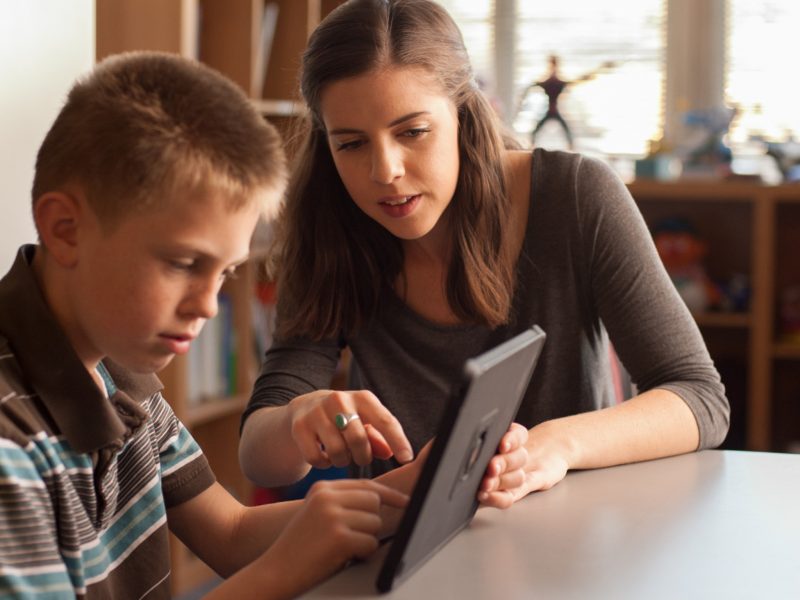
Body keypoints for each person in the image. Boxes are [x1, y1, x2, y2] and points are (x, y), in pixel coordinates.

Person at [239, 0, 729, 510]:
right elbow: (257, 455)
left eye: (412, 132)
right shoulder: (330, 222)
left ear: (463, 112)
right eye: (352, 144)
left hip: (565, 545)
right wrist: (298, 421)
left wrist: (556, 446)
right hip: (398, 554)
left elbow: (699, 398)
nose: (384, 171)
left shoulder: (577, 196)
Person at [0, 51, 416, 599]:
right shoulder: (10, 446)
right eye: (183, 264)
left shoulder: (117, 365)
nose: (209, 306)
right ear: (66, 229)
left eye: (226, 272)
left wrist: (422, 489)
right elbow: (255, 557)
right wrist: (282, 573)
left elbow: (232, 531)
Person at [516, 54, 614, 150]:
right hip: (551, 111)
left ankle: (569, 147)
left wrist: (600, 69)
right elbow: (530, 86)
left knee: (564, 133)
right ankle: (532, 146)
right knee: (546, 132)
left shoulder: (553, 82)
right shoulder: (551, 82)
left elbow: (581, 79)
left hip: (553, 111)